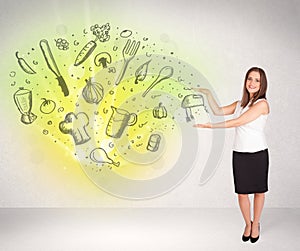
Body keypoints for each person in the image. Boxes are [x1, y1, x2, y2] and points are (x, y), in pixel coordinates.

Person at [193, 67, 270, 243]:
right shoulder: (239, 104)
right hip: (240, 154)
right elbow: (217, 111)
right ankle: (248, 224)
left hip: (258, 154)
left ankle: (256, 223)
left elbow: (239, 121)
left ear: (262, 84)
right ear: (245, 81)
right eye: (249, 79)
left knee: (259, 191)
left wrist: (211, 127)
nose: (252, 83)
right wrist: (207, 93)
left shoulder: (262, 104)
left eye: (257, 80)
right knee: (242, 193)